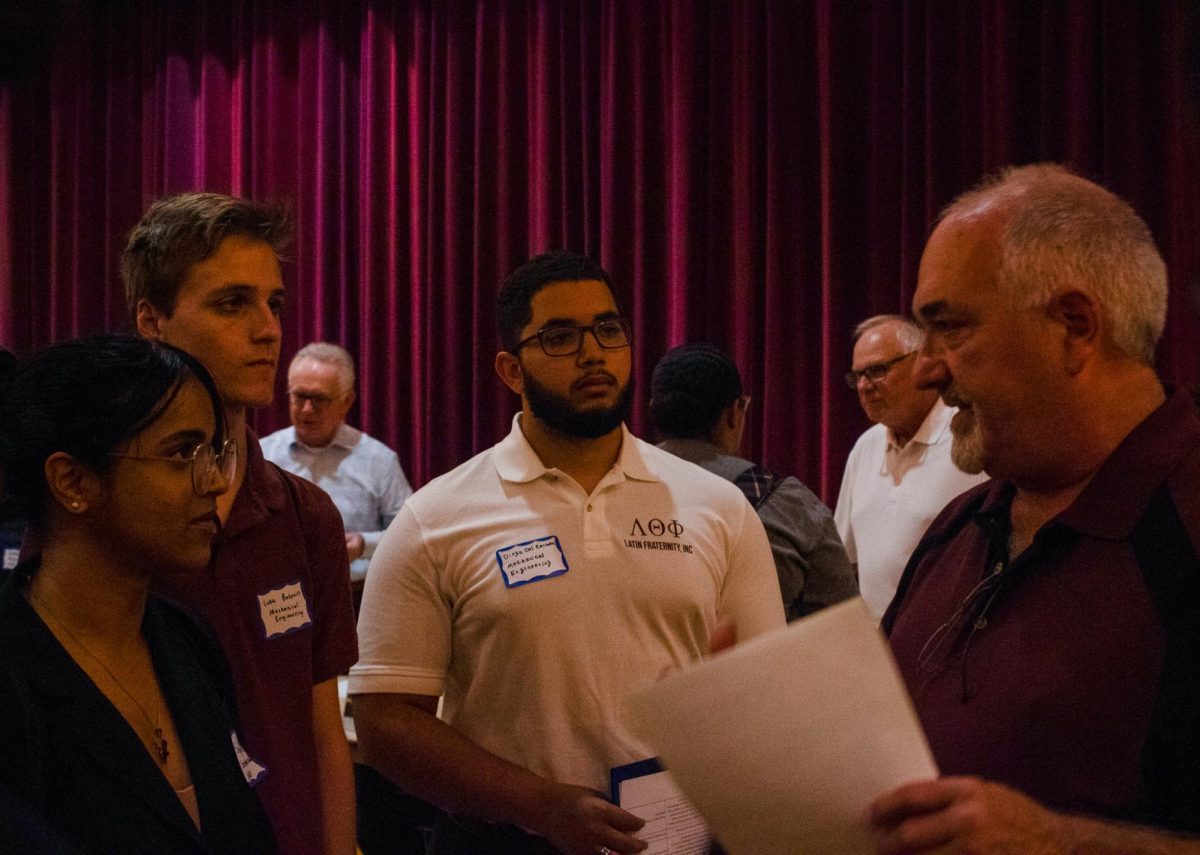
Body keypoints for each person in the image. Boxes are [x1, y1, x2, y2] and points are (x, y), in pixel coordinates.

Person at [350, 251, 785, 855]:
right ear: (510, 369)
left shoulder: (716, 506)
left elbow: (764, 689)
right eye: (559, 336)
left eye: (608, 329)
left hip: (671, 838)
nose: (592, 352)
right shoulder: (436, 516)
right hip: (503, 841)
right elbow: (383, 723)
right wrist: (538, 804)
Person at [872, 164, 1200, 852]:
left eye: (950, 328)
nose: (927, 370)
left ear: (1074, 327)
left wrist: (1061, 843)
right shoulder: (955, 531)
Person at [123, 193, 358, 855]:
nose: (268, 330)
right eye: (233, 303)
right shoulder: (105, 510)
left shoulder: (307, 514)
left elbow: (321, 732)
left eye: (273, 303)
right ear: (153, 320)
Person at [0, 335, 277, 854]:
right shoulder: (14, 674)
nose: (215, 480)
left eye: (213, 452)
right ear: (73, 482)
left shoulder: (186, 640)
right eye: (181, 453)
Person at [650, 343, 856, 621]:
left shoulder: (609, 493)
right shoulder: (787, 504)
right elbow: (843, 627)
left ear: (654, 412)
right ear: (734, 414)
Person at [835, 315, 987, 618]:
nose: (864, 386)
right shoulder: (865, 447)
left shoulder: (969, 438)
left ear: (921, 362)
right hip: (879, 652)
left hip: (947, 646)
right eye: (857, 376)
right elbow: (844, 561)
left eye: (877, 371)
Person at [262, 342, 413, 580]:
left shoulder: (379, 460)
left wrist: (364, 544)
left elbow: (410, 534)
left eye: (319, 399)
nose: (307, 409)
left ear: (347, 401)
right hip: (277, 595)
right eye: (300, 396)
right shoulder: (263, 455)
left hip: (355, 597)